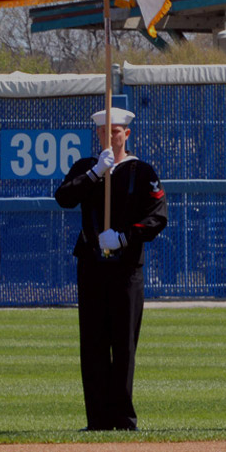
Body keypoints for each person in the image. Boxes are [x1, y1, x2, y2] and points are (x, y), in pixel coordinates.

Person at [55, 107, 167, 431]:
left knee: (123, 344)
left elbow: (158, 215)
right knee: (92, 343)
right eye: (104, 132)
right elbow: (63, 197)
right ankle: (97, 420)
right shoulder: (86, 167)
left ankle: (123, 418)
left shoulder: (142, 171)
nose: (110, 136)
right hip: (92, 265)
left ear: (127, 134)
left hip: (126, 268)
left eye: (115, 131)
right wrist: (93, 175)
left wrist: (125, 237)